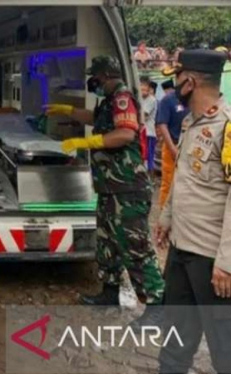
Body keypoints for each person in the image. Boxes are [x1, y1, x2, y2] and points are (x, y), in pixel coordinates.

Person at [44, 55, 164, 327]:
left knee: (135, 247)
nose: (93, 83)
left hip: (127, 188)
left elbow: (125, 134)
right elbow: (95, 117)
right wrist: (68, 111)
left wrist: (89, 141)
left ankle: (157, 305)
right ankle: (109, 292)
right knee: (107, 243)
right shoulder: (109, 101)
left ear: (107, 76)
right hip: (110, 188)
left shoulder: (123, 98)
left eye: (96, 78)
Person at [156, 49, 231, 374]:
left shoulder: (226, 128)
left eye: (176, 78)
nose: (172, 86)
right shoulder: (190, 123)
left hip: (210, 259)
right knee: (175, 341)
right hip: (181, 251)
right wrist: (166, 217)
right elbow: (183, 178)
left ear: (190, 81)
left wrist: (227, 264)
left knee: (225, 349)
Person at [156, 79, 190, 208]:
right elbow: (162, 124)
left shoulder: (195, 98)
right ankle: (164, 215)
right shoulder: (168, 100)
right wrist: (172, 148)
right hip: (173, 145)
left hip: (192, 146)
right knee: (169, 183)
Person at [139, 76, 158, 177]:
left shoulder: (151, 100)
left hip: (148, 133)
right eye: (141, 89)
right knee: (143, 156)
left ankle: (150, 179)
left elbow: (143, 115)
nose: (143, 91)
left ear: (150, 89)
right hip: (142, 132)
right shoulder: (140, 99)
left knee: (148, 157)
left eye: (145, 89)